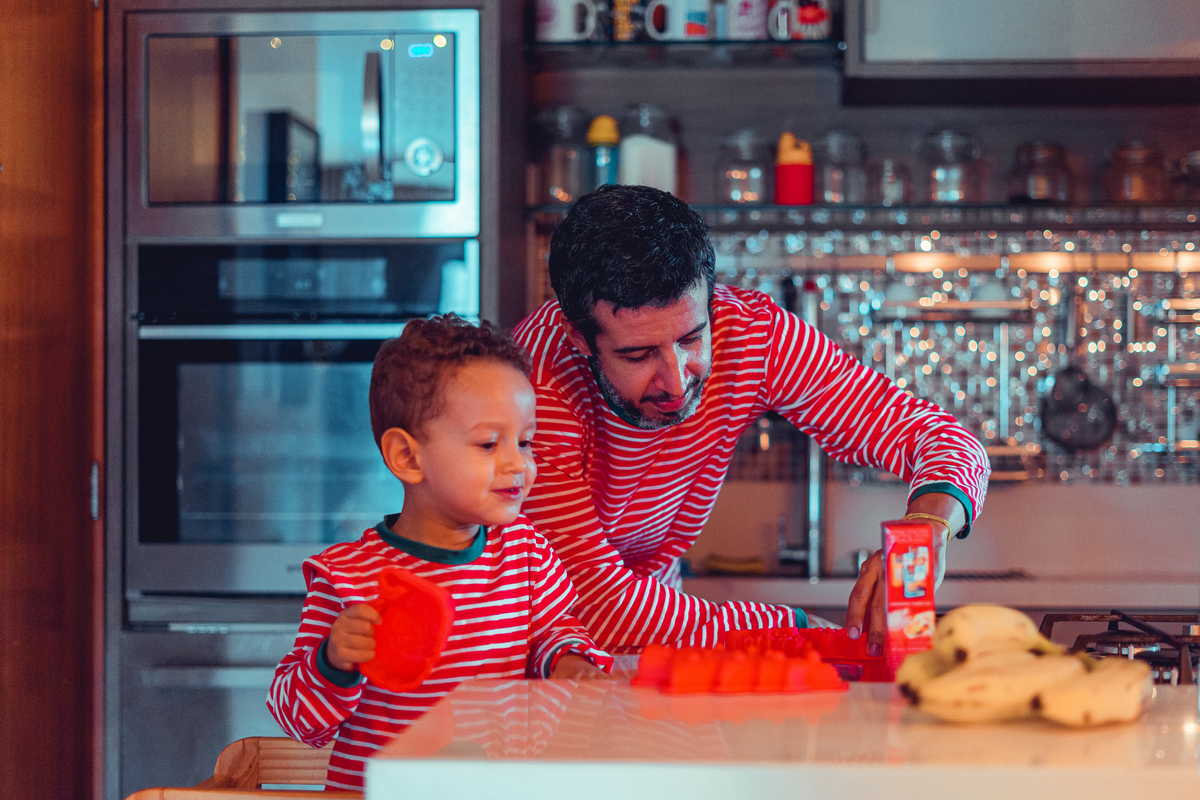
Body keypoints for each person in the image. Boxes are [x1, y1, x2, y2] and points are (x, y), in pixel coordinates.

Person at [512, 184, 990, 659]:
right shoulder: (534, 384)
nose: (677, 382)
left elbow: (941, 437)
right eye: (638, 355)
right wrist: (803, 631)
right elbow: (597, 606)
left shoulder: (752, 334)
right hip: (554, 647)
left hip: (663, 633)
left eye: (691, 339)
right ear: (578, 337)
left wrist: (928, 525)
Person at [268, 316, 612, 791]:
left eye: (526, 442)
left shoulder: (527, 553)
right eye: (489, 444)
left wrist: (569, 662)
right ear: (407, 458)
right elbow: (298, 720)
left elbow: (553, 634)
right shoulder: (348, 578)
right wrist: (332, 660)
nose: (519, 464)